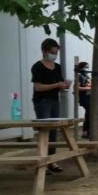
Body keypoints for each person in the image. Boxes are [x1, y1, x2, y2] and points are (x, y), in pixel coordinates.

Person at [31, 38, 71, 173]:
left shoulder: (57, 67)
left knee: (54, 132)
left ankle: (52, 161)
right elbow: (38, 87)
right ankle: (42, 162)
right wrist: (57, 85)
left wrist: (64, 85)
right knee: (44, 131)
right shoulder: (38, 67)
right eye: (52, 52)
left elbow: (59, 84)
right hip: (42, 101)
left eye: (56, 52)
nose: (54, 55)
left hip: (55, 100)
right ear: (44, 51)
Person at [75, 61, 92, 138]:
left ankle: (87, 131)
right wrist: (88, 88)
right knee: (89, 112)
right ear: (81, 68)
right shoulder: (79, 76)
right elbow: (77, 88)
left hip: (89, 97)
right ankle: (85, 132)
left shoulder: (87, 76)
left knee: (89, 114)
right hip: (83, 98)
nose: (87, 69)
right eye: (86, 67)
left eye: (88, 67)